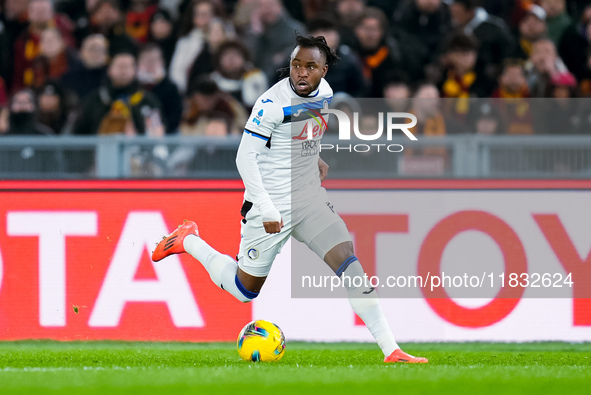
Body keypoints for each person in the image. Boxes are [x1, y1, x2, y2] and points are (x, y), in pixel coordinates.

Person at [152, 35, 428, 364]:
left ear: (323, 70)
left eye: (310, 67)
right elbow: (244, 159)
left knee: (348, 262)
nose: (301, 72)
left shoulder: (325, 94)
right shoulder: (271, 104)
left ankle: (390, 349)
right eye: (296, 65)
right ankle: (189, 240)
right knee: (243, 291)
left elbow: (308, 130)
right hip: (269, 204)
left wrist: (315, 157)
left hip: (309, 198)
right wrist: (266, 207)